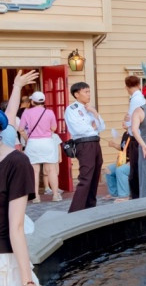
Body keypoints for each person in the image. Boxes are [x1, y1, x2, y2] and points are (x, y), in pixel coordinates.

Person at [0, 94, 53, 286]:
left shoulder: (16, 162)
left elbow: (16, 227)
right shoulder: (16, 162)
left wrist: (26, 282)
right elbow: (16, 227)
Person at [65, 82, 106, 213]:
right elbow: (79, 129)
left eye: (89, 91)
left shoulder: (89, 108)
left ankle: (90, 206)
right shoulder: (72, 109)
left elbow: (101, 126)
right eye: (86, 92)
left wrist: (94, 112)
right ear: (77, 94)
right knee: (86, 176)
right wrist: (93, 127)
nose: (89, 94)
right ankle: (76, 210)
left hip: (95, 142)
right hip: (84, 143)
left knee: (95, 175)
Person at [19, 91, 61, 203]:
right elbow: (54, 128)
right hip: (47, 142)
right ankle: (55, 195)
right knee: (51, 170)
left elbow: (21, 129)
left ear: (32, 102)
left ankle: (36, 197)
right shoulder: (49, 112)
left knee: (34, 171)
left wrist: (27, 139)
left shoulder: (26, 112)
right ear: (43, 101)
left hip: (33, 143)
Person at [124, 75, 146, 200]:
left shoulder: (135, 99)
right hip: (142, 136)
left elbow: (131, 120)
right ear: (138, 84)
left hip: (136, 138)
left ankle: (136, 196)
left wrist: (126, 123)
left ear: (127, 87)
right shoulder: (140, 98)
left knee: (135, 169)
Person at [104, 130, 131, 201]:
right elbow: (122, 148)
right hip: (124, 161)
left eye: (125, 122)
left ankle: (124, 195)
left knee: (120, 170)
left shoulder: (135, 134)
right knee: (108, 169)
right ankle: (114, 193)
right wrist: (113, 145)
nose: (123, 124)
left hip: (133, 162)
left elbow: (138, 149)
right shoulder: (125, 134)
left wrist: (132, 161)